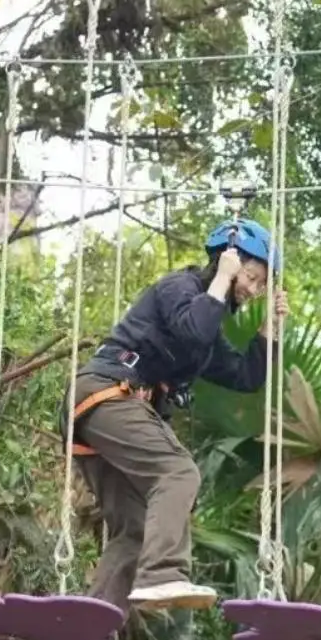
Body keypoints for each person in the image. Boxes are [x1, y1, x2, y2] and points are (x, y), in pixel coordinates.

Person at [67, 219, 288, 615]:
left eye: (260, 286)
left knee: (134, 530)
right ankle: (162, 574)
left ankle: (91, 625)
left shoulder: (207, 323)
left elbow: (244, 375)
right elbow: (193, 330)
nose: (253, 291)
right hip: (107, 393)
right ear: (228, 261)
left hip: (106, 412)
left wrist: (268, 333)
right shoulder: (179, 288)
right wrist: (222, 279)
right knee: (177, 473)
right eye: (251, 277)